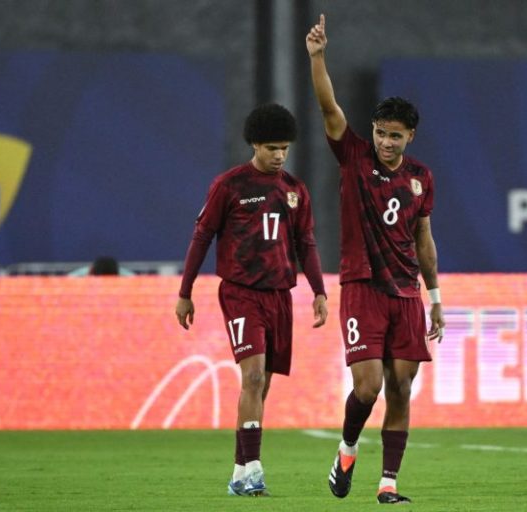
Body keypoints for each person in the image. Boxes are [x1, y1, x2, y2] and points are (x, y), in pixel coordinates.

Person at [306, 14, 445, 505]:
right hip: (363, 286)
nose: (386, 142)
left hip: (407, 292)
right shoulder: (354, 156)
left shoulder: (422, 178)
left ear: (410, 137)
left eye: (396, 136)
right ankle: (346, 451)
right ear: (373, 131)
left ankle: (388, 484)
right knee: (366, 389)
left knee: (402, 388)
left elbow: (423, 237)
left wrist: (435, 297)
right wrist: (318, 56)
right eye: (381, 133)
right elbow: (328, 107)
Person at [174, 103, 328, 497]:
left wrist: (319, 290)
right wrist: (185, 292)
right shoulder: (230, 186)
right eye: (273, 147)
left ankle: (240, 472)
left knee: (262, 386)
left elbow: (306, 243)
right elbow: (202, 236)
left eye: (285, 149)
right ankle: (254, 470)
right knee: (254, 377)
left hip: (280, 294)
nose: (280, 155)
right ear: (255, 145)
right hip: (241, 292)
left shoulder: (294, 190)